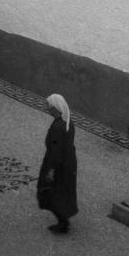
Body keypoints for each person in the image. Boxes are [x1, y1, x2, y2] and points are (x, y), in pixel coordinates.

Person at [37, 94, 78, 234]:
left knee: (51, 190)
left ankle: (63, 222)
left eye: (50, 107)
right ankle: (64, 219)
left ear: (57, 108)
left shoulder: (57, 127)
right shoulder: (68, 122)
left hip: (58, 165)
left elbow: (56, 151)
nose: (48, 110)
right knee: (63, 191)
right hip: (68, 164)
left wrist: (51, 170)